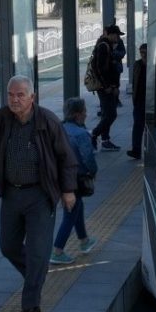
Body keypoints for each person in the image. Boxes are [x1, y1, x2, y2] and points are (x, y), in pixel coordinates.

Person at [0, 76, 78, 312]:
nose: (15, 100)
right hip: (11, 193)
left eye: (21, 95)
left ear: (32, 97)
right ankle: (36, 275)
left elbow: (66, 158)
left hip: (40, 195)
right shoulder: (2, 119)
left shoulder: (48, 121)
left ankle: (31, 304)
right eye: (11, 95)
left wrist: (68, 190)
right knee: (8, 245)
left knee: (37, 251)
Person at [51, 98, 99, 264]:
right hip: (76, 179)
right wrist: (93, 172)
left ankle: (84, 240)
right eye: (84, 111)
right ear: (78, 115)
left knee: (77, 207)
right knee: (70, 214)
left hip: (60, 177)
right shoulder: (81, 134)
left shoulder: (59, 129)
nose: (86, 114)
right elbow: (88, 158)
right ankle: (57, 250)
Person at [90, 24, 124, 152]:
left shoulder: (108, 46)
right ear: (109, 34)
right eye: (116, 35)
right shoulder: (103, 47)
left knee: (107, 113)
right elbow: (100, 69)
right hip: (105, 88)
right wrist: (107, 86)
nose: (118, 38)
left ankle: (105, 140)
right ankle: (94, 134)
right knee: (111, 114)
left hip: (110, 86)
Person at [127, 43, 147, 160]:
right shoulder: (137, 65)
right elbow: (135, 82)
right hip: (139, 100)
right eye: (141, 53)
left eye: (145, 52)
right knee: (138, 125)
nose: (143, 55)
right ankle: (136, 150)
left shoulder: (154, 64)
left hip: (150, 100)